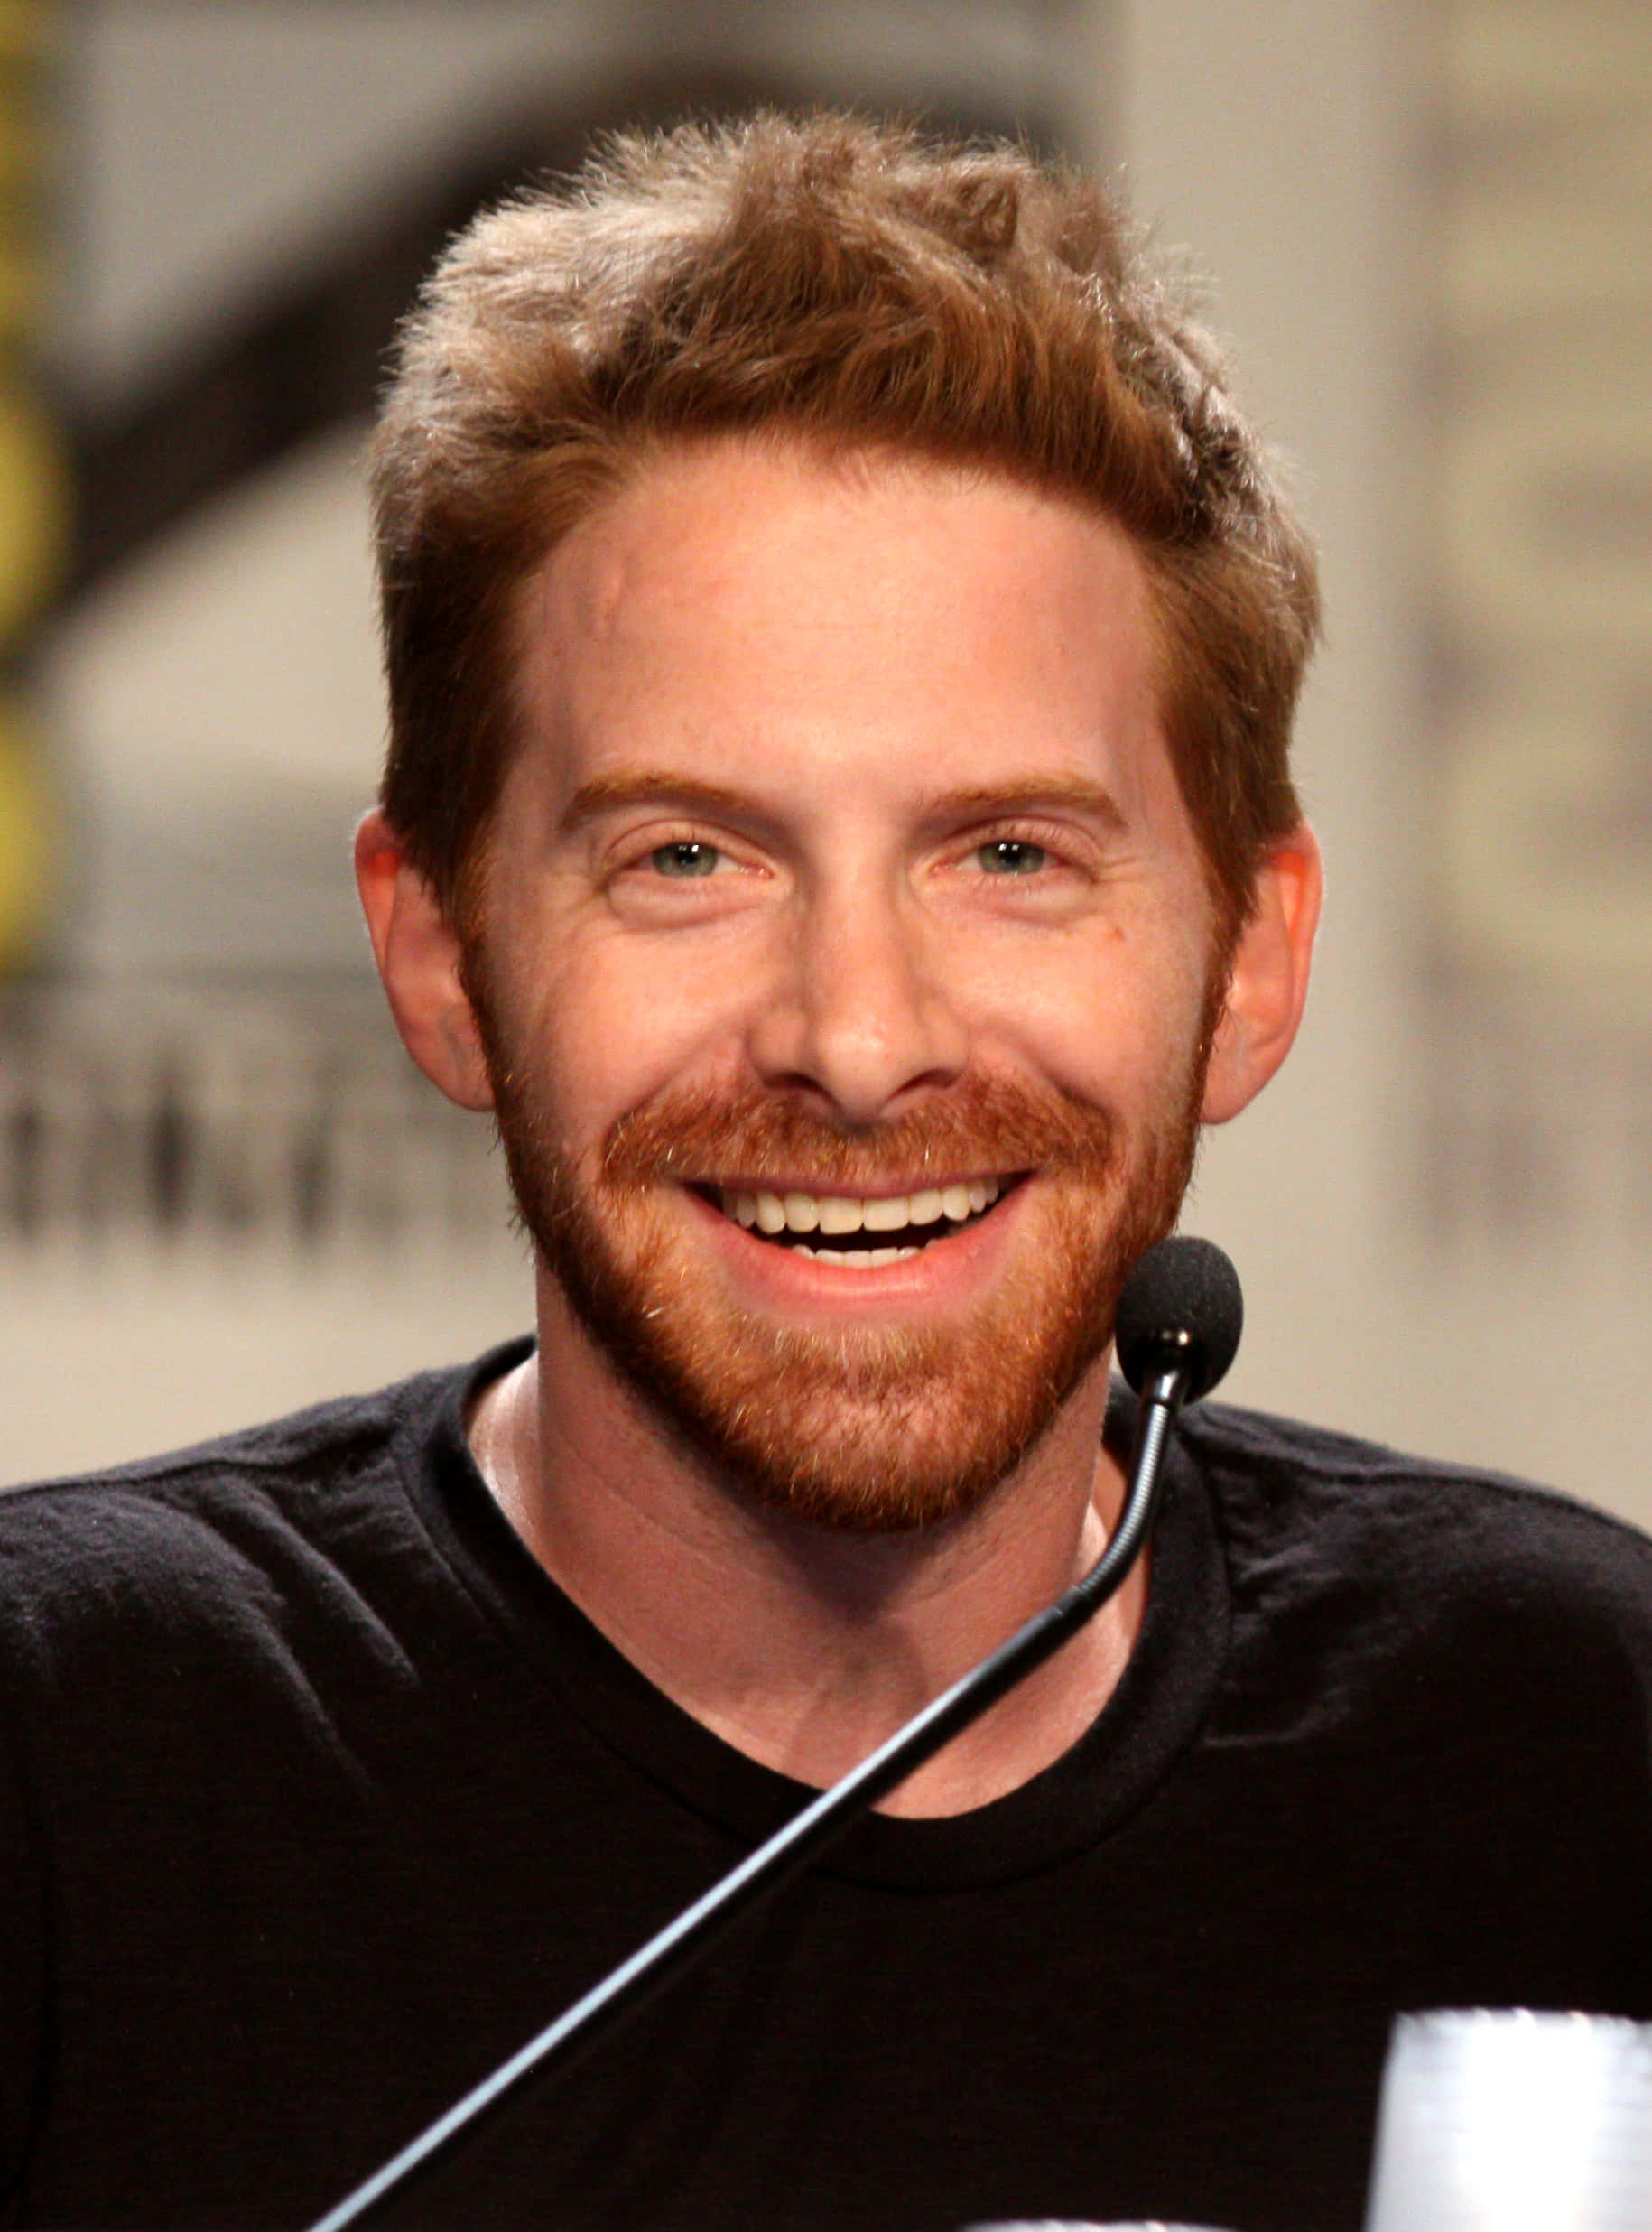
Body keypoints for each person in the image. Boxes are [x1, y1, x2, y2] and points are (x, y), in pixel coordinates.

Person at [3, 112, 1650, 2232]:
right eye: (689, 856)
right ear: (437, 954)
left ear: (1253, 959)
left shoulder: (1568, 1752)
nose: (859, 1043)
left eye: (1010, 855)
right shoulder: (68, 1761)